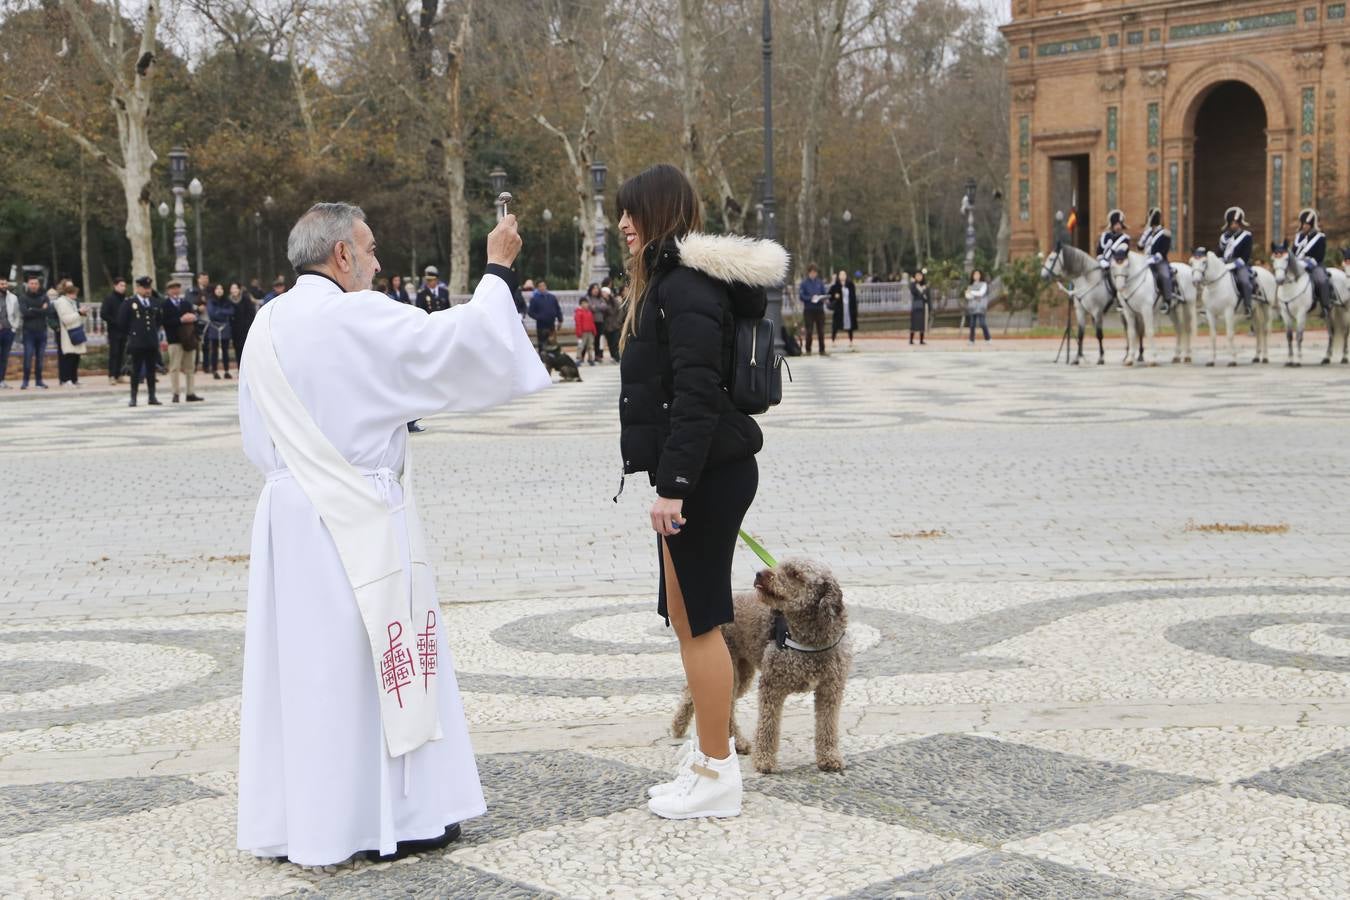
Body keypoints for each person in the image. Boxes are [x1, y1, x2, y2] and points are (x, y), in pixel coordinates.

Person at [236, 202, 549, 866]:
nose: (379, 264)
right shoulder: (354, 314)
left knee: (313, 676)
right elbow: (455, 345)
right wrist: (497, 267)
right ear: (341, 255)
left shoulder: (265, 323)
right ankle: (403, 817)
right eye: (372, 250)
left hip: (290, 520)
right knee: (382, 666)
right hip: (359, 513)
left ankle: (316, 822)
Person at [616, 163, 785, 820]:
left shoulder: (683, 286)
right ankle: (707, 759)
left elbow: (692, 397)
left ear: (659, 212)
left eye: (633, 211)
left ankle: (717, 773)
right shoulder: (673, 281)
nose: (623, 224)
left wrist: (673, 487)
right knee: (690, 620)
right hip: (705, 469)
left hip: (707, 474)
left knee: (701, 624)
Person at [119, 277, 162, 406]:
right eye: (144, 288)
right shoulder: (130, 303)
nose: (147, 290)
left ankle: (152, 396)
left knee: (151, 370)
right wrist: (133, 333)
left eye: (148, 288)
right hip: (137, 341)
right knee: (136, 370)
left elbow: (159, 320)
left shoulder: (154, 302)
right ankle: (133, 397)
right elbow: (122, 321)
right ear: (138, 288)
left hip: (151, 341)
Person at [162, 281, 204, 403]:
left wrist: (193, 318)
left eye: (177, 288)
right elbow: (165, 322)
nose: (175, 291)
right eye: (172, 288)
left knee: (190, 367)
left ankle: (190, 392)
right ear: (168, 291)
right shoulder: (165, 305)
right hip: (174, 340)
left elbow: (194, 319)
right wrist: (180, 320)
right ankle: (175, 393)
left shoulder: (186, 303)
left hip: (188, 339)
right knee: (174, 367)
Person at [1290, 208, 1330, 317]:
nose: (1304, 226)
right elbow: (1293, 252)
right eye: (1303, 224)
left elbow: (1319, 256)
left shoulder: (1320, 237)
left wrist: (1306, 263)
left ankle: (1325, 306)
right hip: (1298, 265)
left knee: (1322, 280)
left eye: (1307, 224)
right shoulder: (1299, 237)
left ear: (1312, 225)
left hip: (1315, 265)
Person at [1138, 208, 1175, 313]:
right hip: (1145, 261)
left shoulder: (1165, 233)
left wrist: (1153, 259)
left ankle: (1167, 301)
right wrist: (1144, 235)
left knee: (1165, 275)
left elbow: (1163, 251)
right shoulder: (1148, 233)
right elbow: (1139, 247)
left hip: (1159, 261)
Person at [52, 280, 88, 386]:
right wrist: (79, 313)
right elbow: (65, 319)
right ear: (67, 293)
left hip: (76, 331)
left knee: (76, 356)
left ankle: (74, 379)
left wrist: (83, 314)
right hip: (67, 333)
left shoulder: (73, 302)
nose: (75, 295)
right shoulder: (61, 302)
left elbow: (78, 318)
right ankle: (65, 379)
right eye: (73, 293)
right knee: (68, 357)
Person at [1220, 206, 1254, 316]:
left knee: (1245, 282)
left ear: (1240, 223)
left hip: (1240, 265)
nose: (1233, 225)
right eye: (1231, 223)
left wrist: (1232, 266)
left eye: (1236, 223)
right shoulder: (1223, 237)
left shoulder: (1246, 236)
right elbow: (1219, 252)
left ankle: (1247, 306)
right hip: (1224, 263)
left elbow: (1245, 257)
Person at [19, 275, 49, 389]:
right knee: (28, 357)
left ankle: (39, 381)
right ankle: (25, 381)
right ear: (28, 284)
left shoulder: (44, 297)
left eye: (36, 283)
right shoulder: (23, 297)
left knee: (40, 358)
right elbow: (25, 313)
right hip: (28, 332)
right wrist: (40, 309)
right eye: (31, 283)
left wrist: (33, 309)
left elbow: (48, 311)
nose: (34, 285)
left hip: (42, 331)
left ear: (39, 285)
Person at [100, 277, 130, 383]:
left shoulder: (125, 299)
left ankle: (119, 374)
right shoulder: (110, 298)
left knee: (122, 353)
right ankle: (112, 375)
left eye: (124, 286)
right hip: (114, 330)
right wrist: (115, 322)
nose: (123, 288)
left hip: (124, 330)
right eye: (121, 285)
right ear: (115, 286)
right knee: (114, 353)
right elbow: (103, 314)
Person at [1097, 210, 1130, 300]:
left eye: (1120, 224)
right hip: (1102, 263)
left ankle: (1119, 299)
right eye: (1116, 224)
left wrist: (1110, 262)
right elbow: (1099, 251)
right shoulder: (1105, 236)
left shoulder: (1125, 239)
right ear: (1112, 225)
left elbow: (1121, 253)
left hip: (1117, 264)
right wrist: (1101, 260)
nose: (1118, 227)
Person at [206, 283, 235, 379]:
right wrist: (222, 312)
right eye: (217, 288)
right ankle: (215, 370)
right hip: (214, 327)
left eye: (221, 288)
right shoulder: (211, 301)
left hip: (225, 327)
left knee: (225, 350)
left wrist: (220, 311)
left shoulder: (227, 301)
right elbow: (211, 314)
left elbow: (231, 311)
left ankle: (226, 370)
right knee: (214, 350)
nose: (219, 290)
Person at [798, 263, 827, 355]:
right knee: (809, 331)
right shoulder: (804, 283)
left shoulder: (820, 282)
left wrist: (820, 298)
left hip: (819, 309)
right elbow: (801, 296)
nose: (814, 274)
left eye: (815, 272)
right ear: (809, 273)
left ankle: (822, 350)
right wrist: (810, 298)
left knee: (821, 331)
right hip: (809, 309)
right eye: (812, 272)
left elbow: (824, 293)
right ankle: (808, 349)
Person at [527, 279, 562, 350]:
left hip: (551, 324)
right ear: (537, 288)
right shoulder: (535, 299)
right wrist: (539, 317)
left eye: (543, 285)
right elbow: (530, 312)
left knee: (552, 343)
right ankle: (542, 359)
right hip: (541, 326)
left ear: (546, 286)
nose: (542, 287)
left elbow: (557, 309)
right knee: (542, 344)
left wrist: (560, 320)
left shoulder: (552, 297)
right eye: (540, 286)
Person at [828, 269, 858, 351]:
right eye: (841, 275)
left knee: (850, 325)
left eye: (844, 274)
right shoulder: (835, 286)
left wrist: (854, 309)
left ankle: (851, 340)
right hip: (839, 309)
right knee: (836, 325)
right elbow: (830, 296)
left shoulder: (850, 285)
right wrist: (835, 296)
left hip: (848, 308)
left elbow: (854, 298)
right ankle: (833, 340)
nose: (842, 276)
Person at [230, 281, 256, 358]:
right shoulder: (228, 301)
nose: (234, 290)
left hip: (245, 329)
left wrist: (247, 325)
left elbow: (251, 313)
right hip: (234, 330)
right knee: (237, 350)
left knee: (246, 350)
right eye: (232, 288)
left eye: (236, 288)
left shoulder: (246, 299)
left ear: (239, 289)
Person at [0, 277, 18, 387]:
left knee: (4, 357)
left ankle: (1, 380)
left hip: (8, 331)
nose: (3, 286)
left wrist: (14, 328)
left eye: (4, 284)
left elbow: (17, 315)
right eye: (1, 284)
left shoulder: (13, 298)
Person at [966, 269, 991, 345]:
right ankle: (971, 340)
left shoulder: (984, 284)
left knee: (982, 323)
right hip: (972, 306)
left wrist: (972, 293)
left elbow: (981, 293)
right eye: (975, 274)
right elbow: (967, 296)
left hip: (981, 306)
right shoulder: (970, 285)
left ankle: (988, 338)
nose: (976, 276)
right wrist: (973, 294)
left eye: (978, 274)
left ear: (980, 275)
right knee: (972, 324)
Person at [585, 283, 607, 361]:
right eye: (594, 288)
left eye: (597, 288)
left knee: (598, 339)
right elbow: (591, 307)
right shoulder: (588, 298)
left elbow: (605, 307)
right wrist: (599, 307)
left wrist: (596, 307)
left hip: (600, 321)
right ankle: (583, 355)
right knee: (589, 339)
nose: (596, 290)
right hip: (591, 322)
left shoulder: (600, 298)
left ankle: (597, 355)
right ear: (591, 289)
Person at [909, 269, 931, 345]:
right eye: (917, 275)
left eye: (920, 275)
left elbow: (928, 297)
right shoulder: (913, 285)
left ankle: (921, 340)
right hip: (915, 306)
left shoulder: (925, 285)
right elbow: (914, 292)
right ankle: (911, 339)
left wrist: (930, 307)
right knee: (914, 323)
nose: (919, 277)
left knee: (922, 324)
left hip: (923, 306)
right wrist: (914, 282)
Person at [574, 295, 598, 365]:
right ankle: (578, 358)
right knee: (580, 346)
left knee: (590, 346)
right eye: (583, 303)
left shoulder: (589, 312)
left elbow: (592, 322)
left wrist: (594, 330)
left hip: (590, 332)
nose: (585, 305)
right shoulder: (578, 313)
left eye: (586, 303)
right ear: (580, 304)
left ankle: (590, 359)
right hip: (582, 333)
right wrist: (579, 332)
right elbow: (578, 323)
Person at [601, 285, 622, 362]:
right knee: (610, 342)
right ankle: (613, 356)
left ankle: (617, 356)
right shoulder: (601, 301)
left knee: (615, 342)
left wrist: (618, 321)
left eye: (604, 292)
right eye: (602, 293)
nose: (603, 294)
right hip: (606, 325)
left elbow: (618, 311)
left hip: (615, 324)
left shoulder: (614, 301)